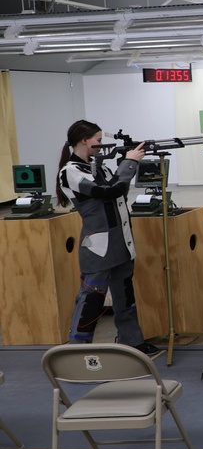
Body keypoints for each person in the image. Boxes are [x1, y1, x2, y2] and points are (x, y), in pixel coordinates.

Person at [56, 120, 159, 355]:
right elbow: (109, 192)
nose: (101, 145)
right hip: (98, 247)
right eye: (98, 140)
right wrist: (130, 162)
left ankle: (132, 341)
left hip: (121, 242)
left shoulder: (99, 167)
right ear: (84, 140)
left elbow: (117, 188)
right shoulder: (70, 172)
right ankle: (78, 350)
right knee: (91, 300)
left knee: (125, 296)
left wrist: (127, 164)